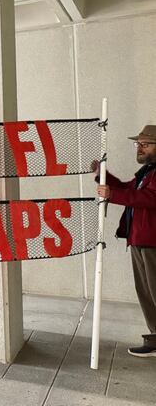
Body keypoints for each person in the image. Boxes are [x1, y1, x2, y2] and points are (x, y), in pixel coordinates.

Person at [95, 125, 156, 358]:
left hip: (152, 243)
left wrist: (113, 195)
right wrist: (103, 175)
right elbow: (126, 189)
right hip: (140, 240)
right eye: (137, 144)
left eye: (145, 144)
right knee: (147, 294)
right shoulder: (146, 173)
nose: (139, 148)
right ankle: (155, 338)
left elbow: (150, 198)